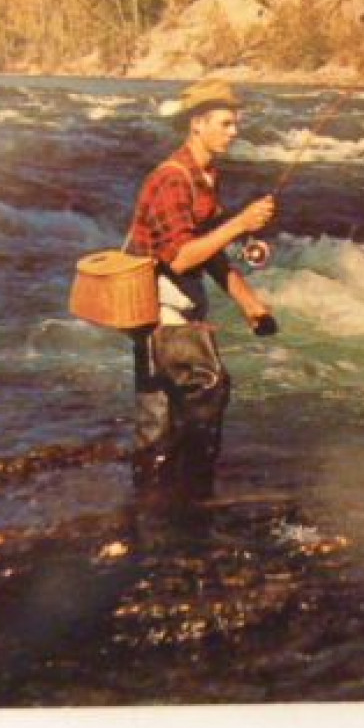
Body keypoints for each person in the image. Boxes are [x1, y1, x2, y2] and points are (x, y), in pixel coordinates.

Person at [126, 79, 277, 494]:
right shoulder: (173, 180)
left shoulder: (205, 176)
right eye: (226, 123)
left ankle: (156, 504)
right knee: (209, 386)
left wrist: (251, 305)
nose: (234, 131)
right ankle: (193, 493)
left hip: (170, 311)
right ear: (197, 124)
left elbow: (211, 250)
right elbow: (181, 257)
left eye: (235, 124)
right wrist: (241, 223)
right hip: (159, 312)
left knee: (159, 422)